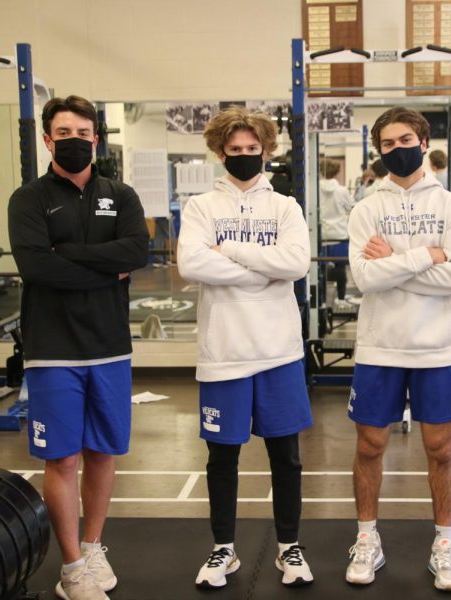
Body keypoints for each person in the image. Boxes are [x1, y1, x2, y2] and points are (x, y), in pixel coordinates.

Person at [8, 95, 149, 600]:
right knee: (63, 460)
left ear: (97, 139)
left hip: (110, 346)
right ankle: (71, 569)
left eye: (82, 133)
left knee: (103, 452)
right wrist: (104, 270)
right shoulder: (28, 199)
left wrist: (67, 255)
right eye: (63, 133)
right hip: (53, 349)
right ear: (48, 140)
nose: (74, 141)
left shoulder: (122, 194)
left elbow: (138, 251)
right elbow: (36, 266)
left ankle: (93, 548)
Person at [177, 107, 314, 589]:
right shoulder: (200, 207)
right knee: (222, 458)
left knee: (287, 457)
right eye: (234, 151)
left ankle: (289, 547)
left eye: (251, 150)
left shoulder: (285, 207)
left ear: (266, 151)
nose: (243, 157)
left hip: (278, 350)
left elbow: (297, 263)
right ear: (220, 153)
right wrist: (263, 271)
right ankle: (223, 551)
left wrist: (229, 252)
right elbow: (191, 265)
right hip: (223, 351)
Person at [344, 107, 451, 591]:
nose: (395, 149)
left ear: (423, 142)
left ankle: (444, 545)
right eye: (386, 143)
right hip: (379, 347)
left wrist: (396, 262)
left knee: (440, 449)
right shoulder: (366, 208)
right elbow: (365, 278)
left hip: (436, 349)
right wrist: (426, 256)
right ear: (378, 151)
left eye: (404, 139)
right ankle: (366, 539)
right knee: (370, 444)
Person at [319, 157, 355, 307]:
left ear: (320, 171)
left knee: (319, 271)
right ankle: (340, 299)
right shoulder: (342, 191)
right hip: (339, 235)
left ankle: (321, 301)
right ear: (337, 172)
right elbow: (352, 208)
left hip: (321, 237)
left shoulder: (315, 189)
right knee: (341, 269)